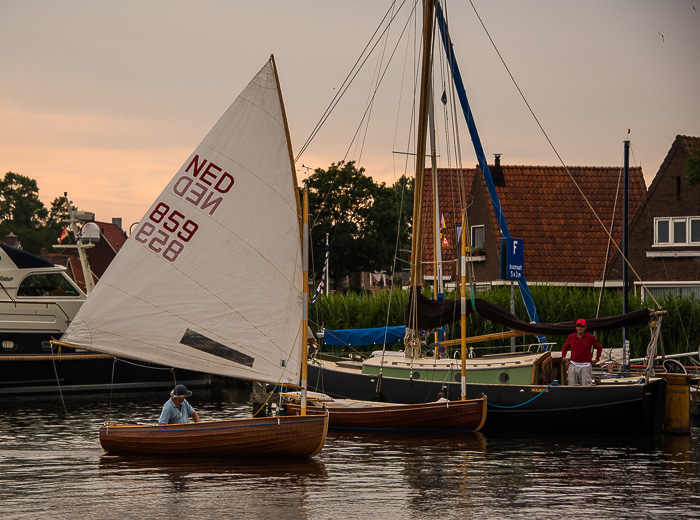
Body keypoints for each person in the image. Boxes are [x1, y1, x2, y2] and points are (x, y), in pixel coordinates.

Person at [561, 319, 602, 386]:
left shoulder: (590, 337)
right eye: (578, 326)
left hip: (585, 365)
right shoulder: (571, 336)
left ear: (585, 328)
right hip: (573, 364)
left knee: (586, 386)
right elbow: (565, 347)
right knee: (571, 385)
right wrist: (563, 357)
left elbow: (599, 347)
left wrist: (597, 359)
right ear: (576, 327)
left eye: (582, 326)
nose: (580, 328)